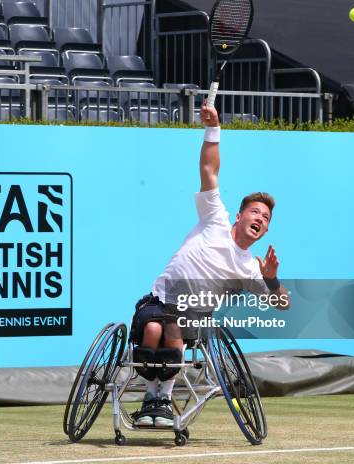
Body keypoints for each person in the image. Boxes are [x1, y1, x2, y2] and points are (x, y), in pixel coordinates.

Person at [130, 101, 291, 427]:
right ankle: (151, 396)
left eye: (265, 217)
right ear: (240, 215)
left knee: (173, 331)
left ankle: (163, 401)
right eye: (255, 212)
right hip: (159, 300)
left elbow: (283, 304)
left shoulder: (249, 267)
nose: (259, 218)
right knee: (152, 327)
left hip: (191, 315)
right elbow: (209, 169)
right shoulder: (214, 218)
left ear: (266, 230)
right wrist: (213, 127)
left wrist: (272, 280)